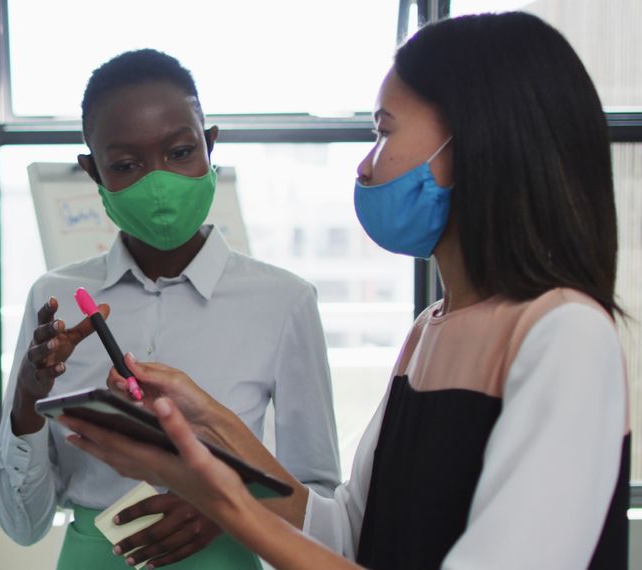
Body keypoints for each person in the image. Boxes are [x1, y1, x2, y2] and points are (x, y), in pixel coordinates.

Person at [60, 12, 630, 570]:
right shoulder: (428, 332)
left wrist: (215, 494)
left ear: (475, 143)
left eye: (383, 132)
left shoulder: (565, 335)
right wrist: (213, 428)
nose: (364, 166)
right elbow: (350, 537)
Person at [0, 49, 342, 569]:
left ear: (209, 145)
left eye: (179, 152)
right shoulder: (55, 300)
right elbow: (23, 526)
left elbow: (317, 500)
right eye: (127, 165)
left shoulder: (284, 301)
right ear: (93, 172)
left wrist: (227, 506)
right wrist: (27, 399)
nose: (158, 182)